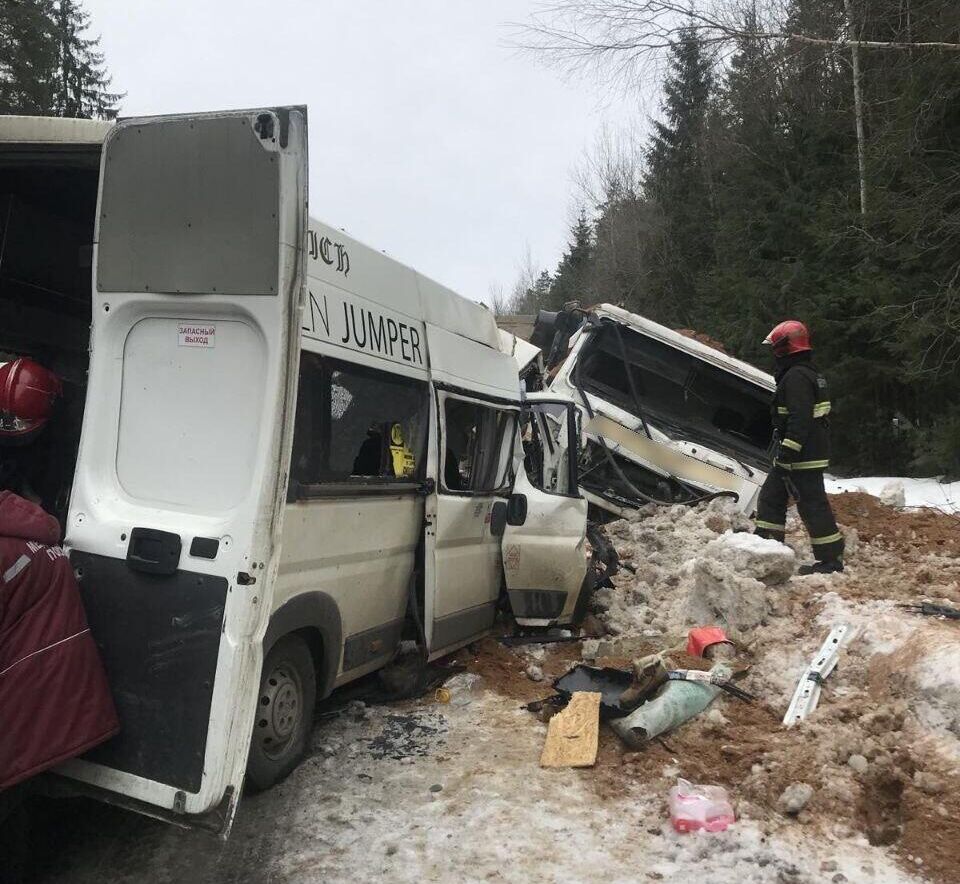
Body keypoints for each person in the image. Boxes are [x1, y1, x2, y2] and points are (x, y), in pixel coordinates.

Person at [753, 321, 844, 575]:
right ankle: (765, 547)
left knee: (810, 504)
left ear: (785, 347)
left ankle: (830, 561)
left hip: (802, 455)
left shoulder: (795, 378)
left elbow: (799, 420)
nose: (773, 353)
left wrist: (786, 455)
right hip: (807, 452)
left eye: (775, 347)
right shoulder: (807, 373)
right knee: (774, 496)